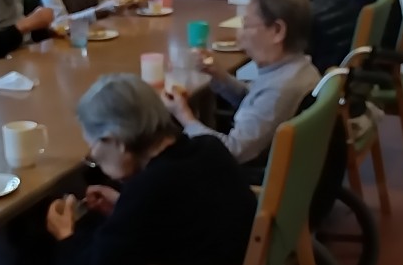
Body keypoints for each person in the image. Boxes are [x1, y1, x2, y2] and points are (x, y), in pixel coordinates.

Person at [46, 73, 257, 265]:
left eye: (93, 147)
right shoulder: (209, 147)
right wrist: (123, 207)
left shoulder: (148, 189)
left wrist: (65, 235)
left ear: (116, 141)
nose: (95, 156)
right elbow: (176, 216)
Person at [162, 0, 321, 165]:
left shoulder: (280, 89)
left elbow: (231, 152)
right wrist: (219, 75)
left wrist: (184, 116)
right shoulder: (298, 69)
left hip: (244, 175)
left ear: (277, 31)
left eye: (246, 24)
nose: (239, 35)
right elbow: (254, 100)